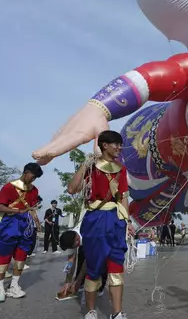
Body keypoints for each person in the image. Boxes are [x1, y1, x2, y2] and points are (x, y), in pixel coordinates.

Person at [67, 130, 129, 319]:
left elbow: (124, 197)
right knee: (94, 267)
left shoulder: (121, 169)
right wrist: (85, 165)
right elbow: (72, 189)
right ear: (104, 145)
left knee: (117, 268)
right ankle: (91, 311)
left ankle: (117, 313)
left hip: (116, 219)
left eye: (120, 144)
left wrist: (126, 221)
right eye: (115, 144)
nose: (119, 147)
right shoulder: (91, 167)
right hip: (95, 219)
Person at [0, 162, 43, 303]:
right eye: (33, 176)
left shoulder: (34, 190)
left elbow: (32, 209)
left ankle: (14, 285)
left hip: (26, 225)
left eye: (36, 178)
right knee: (4, 256)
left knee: (21, 256)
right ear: (26, 172)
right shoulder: (9, 187)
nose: (34, 180)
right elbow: (0, 207)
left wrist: (37, 223)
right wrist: (17, 211)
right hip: (10, 224)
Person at [57, 224, 108, 300]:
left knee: (100, 262)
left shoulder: (88, 237)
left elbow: (87, 261)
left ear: (77, 239)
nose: (73, 248)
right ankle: (80, 284)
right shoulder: (71, 237)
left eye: (73, 246)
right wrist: (67, 281)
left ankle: (100, 288)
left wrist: (78, 280)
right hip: (85, 238)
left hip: (102, 237)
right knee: (81, 254)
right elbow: (70, 261)